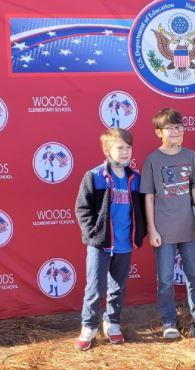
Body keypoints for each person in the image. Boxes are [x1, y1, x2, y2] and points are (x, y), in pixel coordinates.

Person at [74, 127, 146, 350]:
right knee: (95, 288)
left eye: (128, 147)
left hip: (125, 243)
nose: (125, 152)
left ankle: (112, 322)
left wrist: (141, 232)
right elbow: (82, 208)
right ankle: (89, 326)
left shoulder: (135, 178)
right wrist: (93, 233)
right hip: (101, 244)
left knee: (118, 287)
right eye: (119, 148)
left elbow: (143, 209)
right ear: (107, 150)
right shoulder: (94, 176)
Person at [140, 108, 195, 339]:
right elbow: (148, 196)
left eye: (179, 127)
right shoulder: (152, 160)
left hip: (189, 228)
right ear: (159, 132)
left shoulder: (191, 156)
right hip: (164, 231)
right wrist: (152, 228)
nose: (176, 131)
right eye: (170, 127)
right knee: (166, 278)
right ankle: (169, 319)